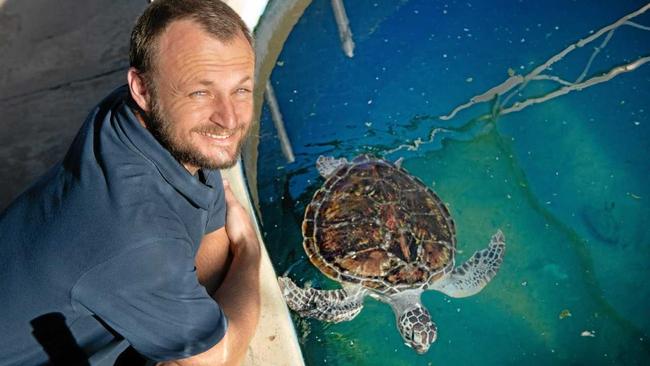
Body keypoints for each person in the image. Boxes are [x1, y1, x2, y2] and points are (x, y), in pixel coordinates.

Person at [0, 0, 261, 365]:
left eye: (241, 90)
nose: (228, 118)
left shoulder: (134, 119)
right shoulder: (136, 236)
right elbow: (215, 359)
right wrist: (249, 254)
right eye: (200, 92)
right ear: (141, 88)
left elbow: (210, 238)